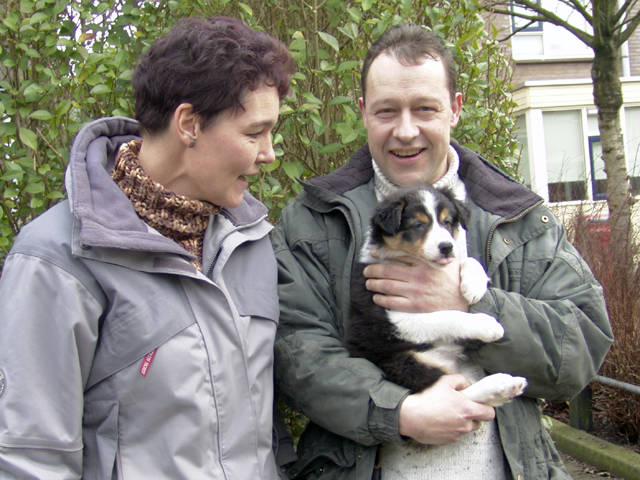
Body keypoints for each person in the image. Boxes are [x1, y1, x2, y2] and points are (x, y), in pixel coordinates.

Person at [272, 24, 613, 479]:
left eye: (425, 109)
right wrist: (399, 412)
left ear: (454, 109)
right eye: (387, 111)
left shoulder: (516, 215)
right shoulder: (313, 220)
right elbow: (298, 355)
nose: (405, 131)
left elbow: (579, 348)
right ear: (363, 112)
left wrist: (470, 303)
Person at [0, 16, 296, 479]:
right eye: (254, 133)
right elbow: (31, 459)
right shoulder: (58, 260)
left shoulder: (252, 242)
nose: (269, 153)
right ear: (189, 124)